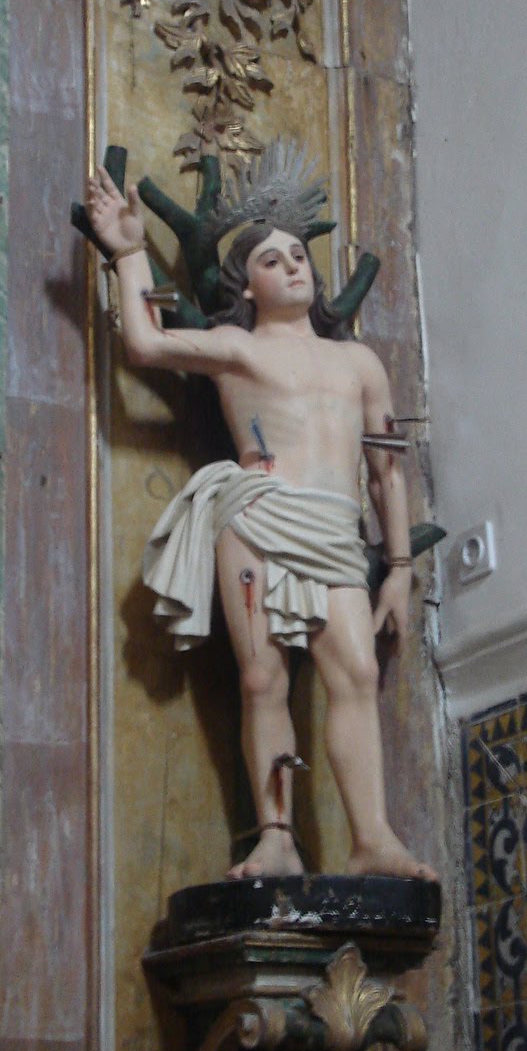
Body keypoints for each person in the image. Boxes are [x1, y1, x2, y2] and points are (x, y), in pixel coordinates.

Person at [86, 164, 438, 882]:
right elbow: (145, 343)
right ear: (246, 286)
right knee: (262, 678)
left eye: (298, 255)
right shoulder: (236, 348)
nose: (292, 268)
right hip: (258, 515)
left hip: (335, 529)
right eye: (271, 261)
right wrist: (128, 251)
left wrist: (400, 570)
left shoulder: (359, 362)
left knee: (357, 672)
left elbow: (387, 472)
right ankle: (276, 838)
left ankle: (372, 838)